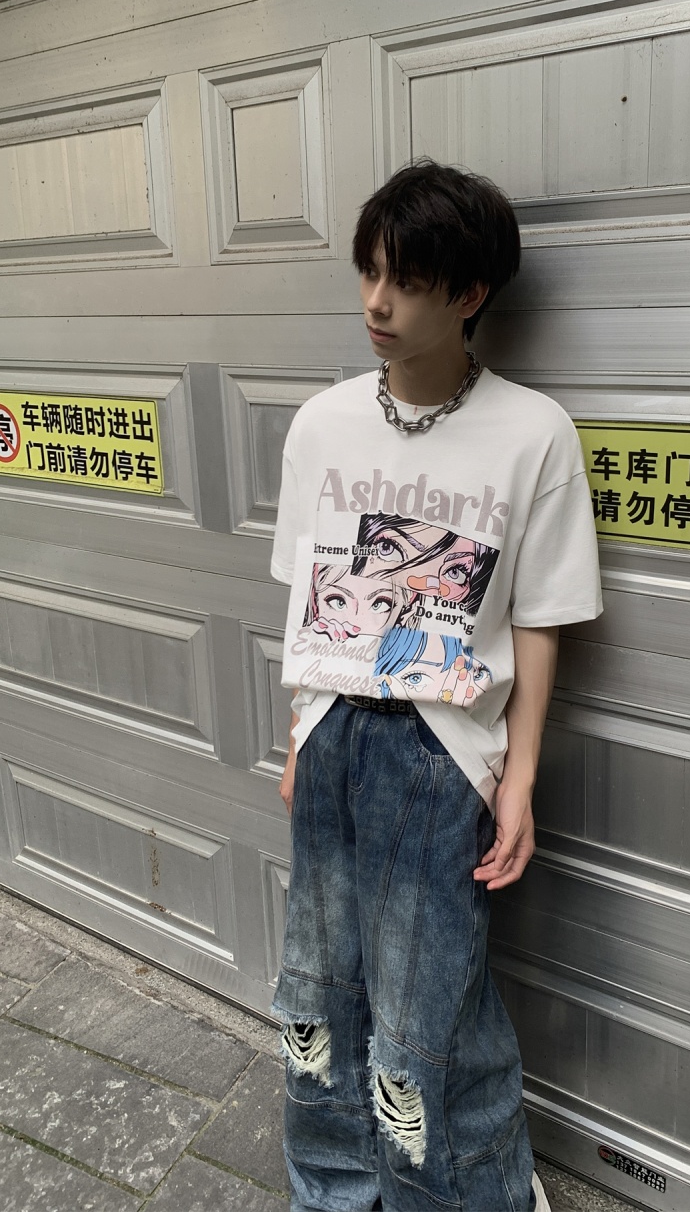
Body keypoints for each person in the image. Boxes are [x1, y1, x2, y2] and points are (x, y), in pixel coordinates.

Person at [270, 159, 602, 1212]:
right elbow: (308, 598)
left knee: (428, 1011)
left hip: (443, 750)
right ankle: (332, 1187)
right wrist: (299, 735)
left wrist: (518, 777)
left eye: (406, 282)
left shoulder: (532, 431)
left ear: (468, 293)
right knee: (316, 986)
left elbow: (540, 616)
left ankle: (467, 1195)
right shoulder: (322, 422)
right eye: (368, 272)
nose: (376, 303)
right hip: (334, 731)